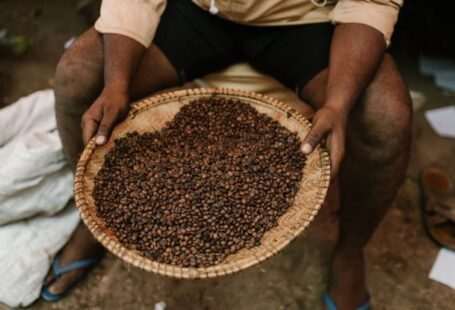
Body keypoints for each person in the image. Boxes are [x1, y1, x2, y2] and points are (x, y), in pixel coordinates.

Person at [42, 0, 412, 309]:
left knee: (385, 117)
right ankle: (95, 218)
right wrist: (116, 82)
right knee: (78, 75)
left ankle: (349, 253)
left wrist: (338, 103)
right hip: (197, 10)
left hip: (305, 20)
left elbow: (370, 3)